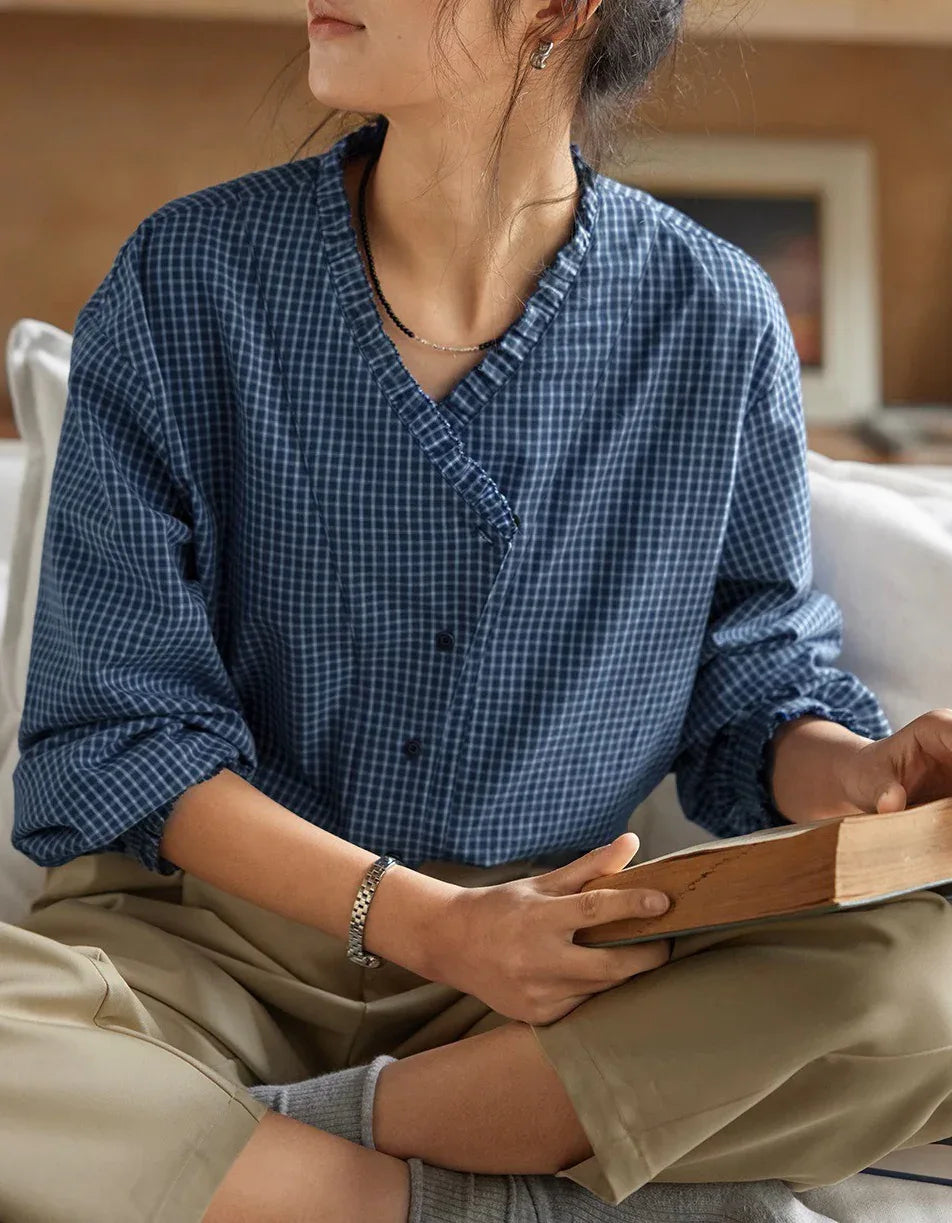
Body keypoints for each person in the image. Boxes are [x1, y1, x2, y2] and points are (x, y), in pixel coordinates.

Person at [3, 0, 952, 1220]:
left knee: (926, 979)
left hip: (547, 967)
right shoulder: (189, 279)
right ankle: (431, 1195)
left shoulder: (714, 319)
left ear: (561, 9)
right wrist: (431, 923)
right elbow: (120, 734)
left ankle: (247, 1151)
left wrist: (864, 774)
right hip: (200, 949)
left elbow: (750, 697)